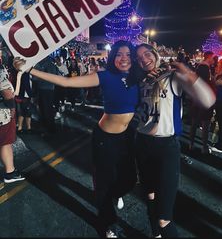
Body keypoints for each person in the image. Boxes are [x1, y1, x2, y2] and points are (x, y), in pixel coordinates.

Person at [13, 40, 138, 238]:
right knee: (104, 183)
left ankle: (115, 193)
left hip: (127, 137)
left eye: (128, 54)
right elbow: (66, 82)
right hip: (105, 137)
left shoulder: (138, 77)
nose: (124, 58)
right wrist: (29, 70)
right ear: (113, 56)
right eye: (119, 54)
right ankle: (108, 223)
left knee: (129, 179)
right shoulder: (104, 76)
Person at [131, 43, 215, 238]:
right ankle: (156, 235)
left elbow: (208, 100)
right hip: (142, 145)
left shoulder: (172, 78)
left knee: (164, 217)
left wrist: (186, 71)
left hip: (166, 148)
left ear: (155, 54)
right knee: (150, 198)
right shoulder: (140, 81)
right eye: (139, 57)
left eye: (147, 54)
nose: (143, 59)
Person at [0, 64, 25, 183]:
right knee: (5, 143)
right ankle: (10, 173)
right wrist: (12, 109)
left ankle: (11, 171)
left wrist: (19, 74)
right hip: (3, 114)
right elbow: (8, 94)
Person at [189, 50, 215, 154]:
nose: (214, 60)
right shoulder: (204, 67)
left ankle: (191, 144)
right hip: (204, 98)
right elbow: (207, 83)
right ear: (209, 57)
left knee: (195, 123)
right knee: (205, 123)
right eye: (213, 58)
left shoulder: (200, 67)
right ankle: (204, 147)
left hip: (197, 98)